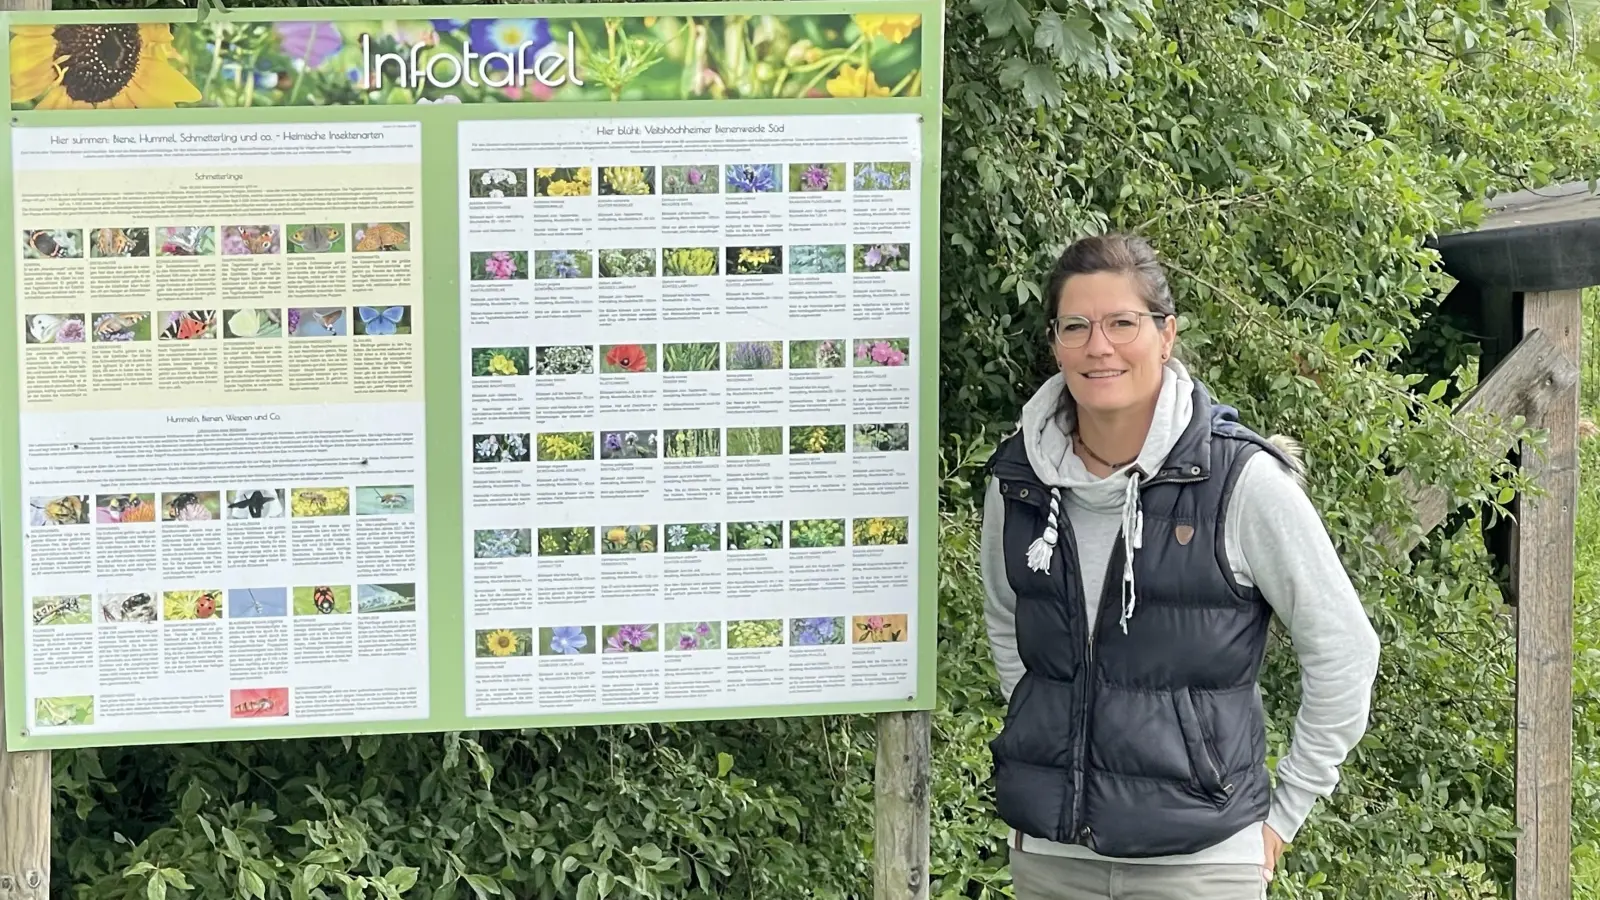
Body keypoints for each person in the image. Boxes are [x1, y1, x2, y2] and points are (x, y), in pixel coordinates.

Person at [980, 232, 1382, 899]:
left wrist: (1285, 814)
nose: (1098, 346)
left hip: (1201, 863)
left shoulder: (1240, 481)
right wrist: (1056, 742)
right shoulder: (1018, 480)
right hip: (1052, 861)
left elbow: (1344, 649)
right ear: (1055, 343)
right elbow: (1007, 622)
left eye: (1122, 323)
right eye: (1075, 326)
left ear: (1166, 335)